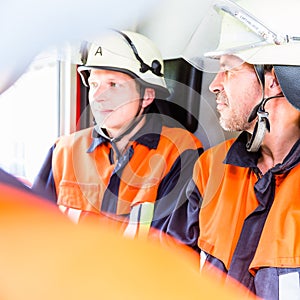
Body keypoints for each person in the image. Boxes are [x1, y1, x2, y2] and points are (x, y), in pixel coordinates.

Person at [32, 29, 203, 252]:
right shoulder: (63, 151)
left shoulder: (180, 152)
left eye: (113, 85)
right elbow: (33, 232)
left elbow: (174, 251)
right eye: (94, 84)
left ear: (147, 96)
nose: (98, 96)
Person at [183, 0, 300, 298]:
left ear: (273, 80)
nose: (215, 85)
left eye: (228, 70)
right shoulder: (210, 169)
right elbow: (170, 266)